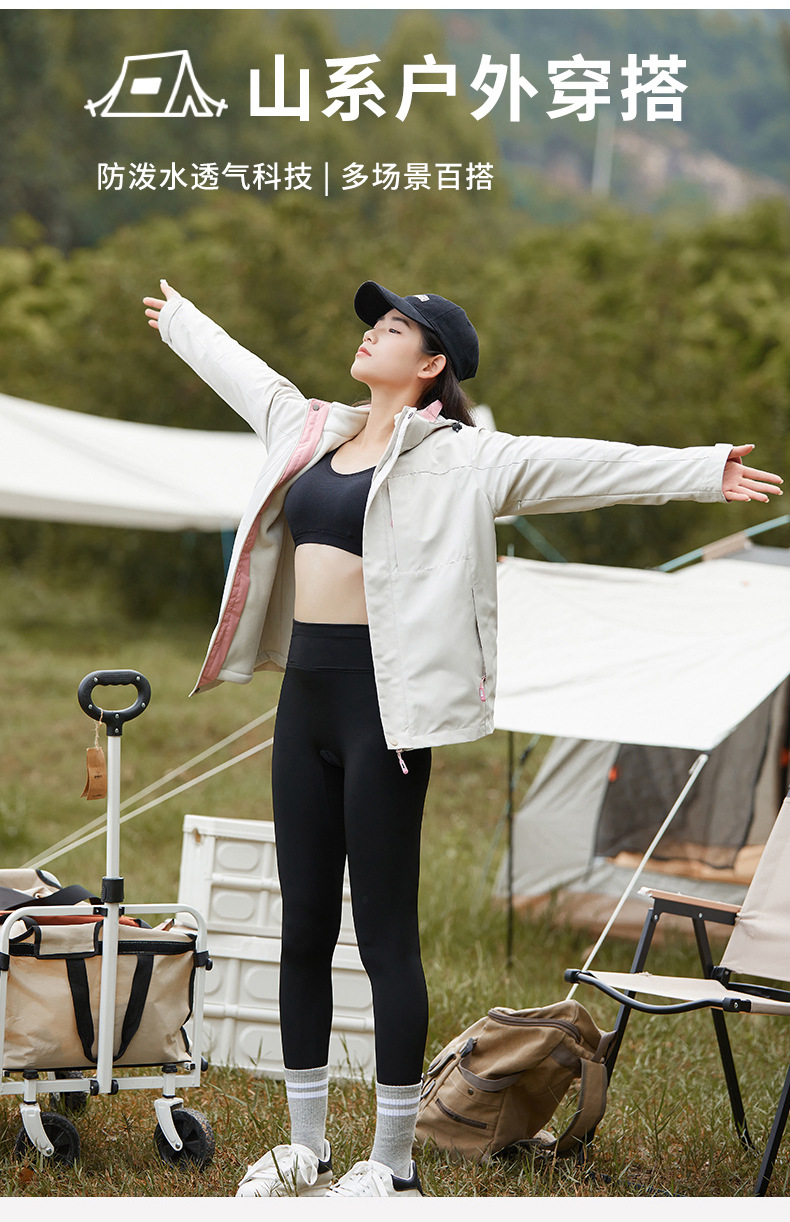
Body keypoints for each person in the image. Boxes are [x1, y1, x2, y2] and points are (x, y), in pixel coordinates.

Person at [143, 278, 781, 1198]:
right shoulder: (311, 429)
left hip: (385, 713)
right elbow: (247, 376)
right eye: (373, 322)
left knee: (385, 938)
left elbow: (585, 466)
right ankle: (306, 1145)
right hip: (304, 706)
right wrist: (183, 321)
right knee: (303, 929)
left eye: (393, 327)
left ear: (431, 362)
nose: (372, 334)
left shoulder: (465, 459)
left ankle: (391, 1162)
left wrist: (702, 468)